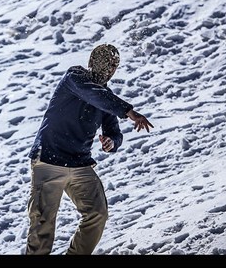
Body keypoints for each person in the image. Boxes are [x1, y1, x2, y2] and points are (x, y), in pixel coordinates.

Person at [26, 44, 154, 255]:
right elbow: (95, 95)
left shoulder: (107, 97)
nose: (111, 69)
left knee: (97, 213)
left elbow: (114, 131)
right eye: (107, 63)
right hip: (49, 160)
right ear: (94, 61)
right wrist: (130, 112)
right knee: (42, 224)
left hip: (79, 163)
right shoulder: (75, 77)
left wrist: (112, 142)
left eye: (115, 65)